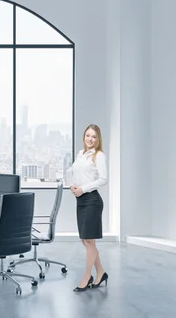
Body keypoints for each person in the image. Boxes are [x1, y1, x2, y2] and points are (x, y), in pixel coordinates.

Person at [69, 124, 108, 292]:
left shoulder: (99, 156)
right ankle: (101, 272)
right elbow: (76, 174)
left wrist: (83, 189)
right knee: (85, 241)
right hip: (81, 200)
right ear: (83, 137)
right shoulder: (81, 154)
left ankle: (87, 276)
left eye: (93, 136)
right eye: (87, 135)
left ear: (98, 139)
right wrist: (73, 186)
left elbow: (103, 179)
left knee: (89, 241)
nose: (90, 139)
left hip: (92, 200)